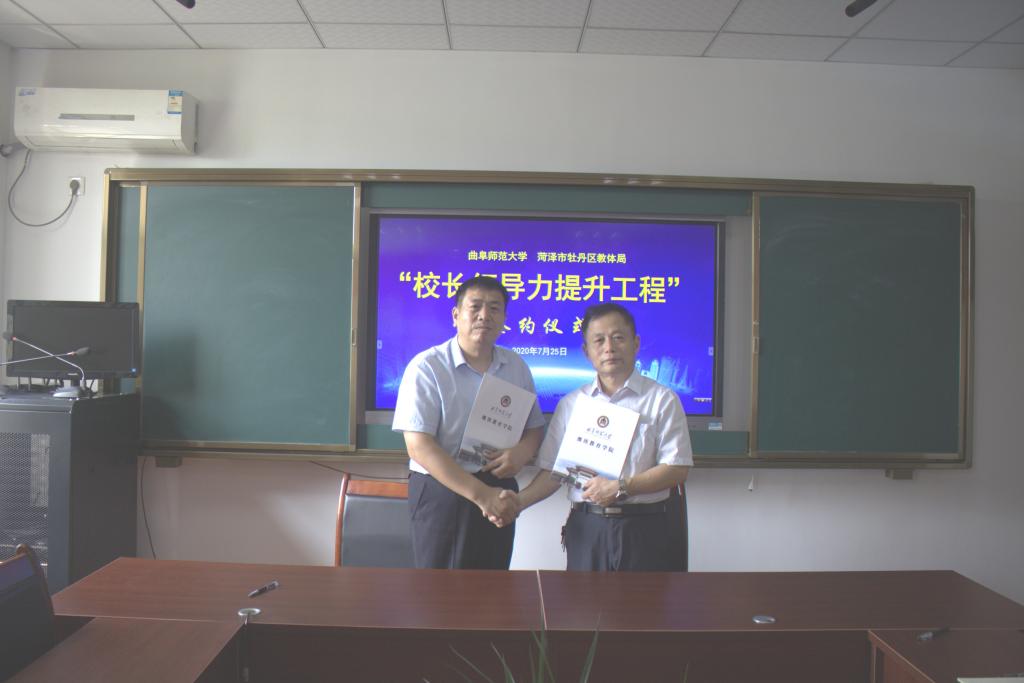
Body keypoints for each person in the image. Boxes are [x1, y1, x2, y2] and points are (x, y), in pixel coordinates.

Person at [514, 302, 693, 571]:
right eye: (599, 340)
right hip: (587, 529)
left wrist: (621, 487)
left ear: (636, 343)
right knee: (583, 600)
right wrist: (517, 503)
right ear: (587, 351)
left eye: (618, 337)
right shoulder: (571, 404)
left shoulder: (662, 400)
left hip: (645, 530)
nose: (609, 347)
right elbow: (553, 472)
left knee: (646, 600)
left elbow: (677, 469)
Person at [393, 275, 545, 569]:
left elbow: (534, 428)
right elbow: (419, 446)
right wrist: (481, 495)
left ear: (504, 319)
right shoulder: (427, 367)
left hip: (498, 488)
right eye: (475, 307)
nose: (484, 316)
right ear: (455, 315)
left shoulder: (516, 367)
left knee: (492, 583)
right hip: (442, 488)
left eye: (495, 308)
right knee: (439, 587)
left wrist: (521, 453)